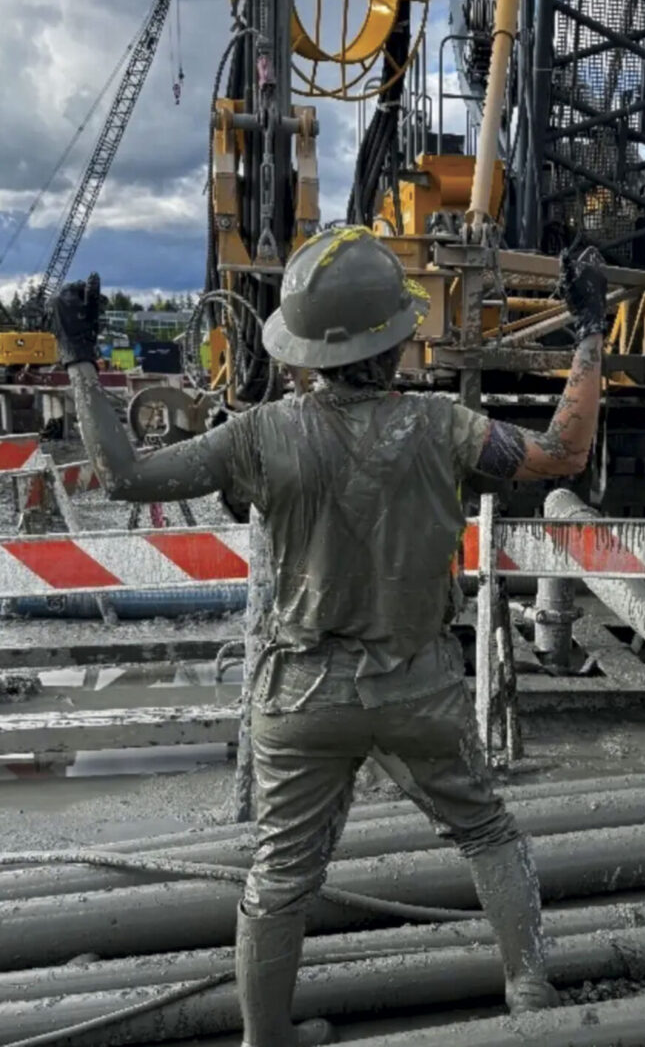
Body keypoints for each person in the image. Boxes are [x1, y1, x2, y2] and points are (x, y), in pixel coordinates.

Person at [51, 227, 607, 1047]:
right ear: (396, 336)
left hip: (300, 697)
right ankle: (528, 995)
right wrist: (589, 332)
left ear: (305, 348)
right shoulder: (444, 427)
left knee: (278, 877)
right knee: (489, 834)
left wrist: (78, 358)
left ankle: (265, 1038)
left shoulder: (260, 435)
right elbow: (564, 452)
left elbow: (127, 476)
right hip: (417, 690)